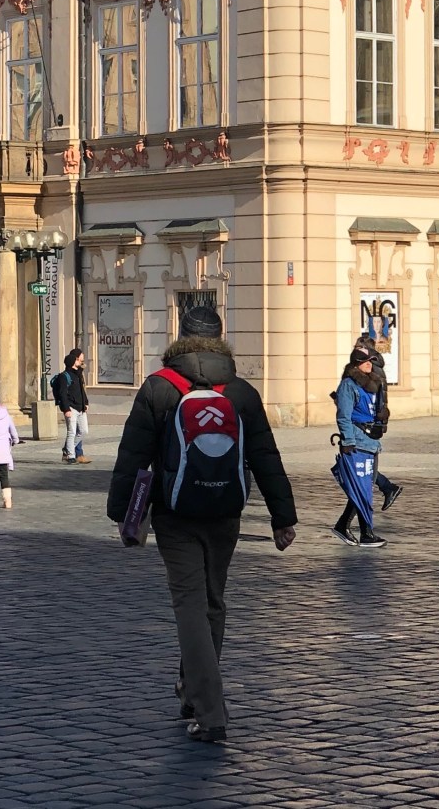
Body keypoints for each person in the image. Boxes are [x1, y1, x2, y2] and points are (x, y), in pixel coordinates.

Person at [107, 301, 297, 744]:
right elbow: (265, 457)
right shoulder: (241, 392)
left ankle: (211, 713)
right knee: (212, 602)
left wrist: (123, 513)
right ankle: (194, 692)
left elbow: (132, 456)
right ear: (220, 338)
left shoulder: (159, 387)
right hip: (226, 510)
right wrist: (282, 517)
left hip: (175, 513)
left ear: (179, 337)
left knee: (189, 606)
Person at [332, 345, 387, 549]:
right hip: (356, 442)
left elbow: (376, 407)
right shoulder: (348, 385)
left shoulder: (372, 384)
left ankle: (344, 526)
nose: (369, 364)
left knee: (365, 487)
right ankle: (365, 533)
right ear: (356, 363)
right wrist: (348, 441)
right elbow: (343, 416)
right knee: (361, 488)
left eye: (371, 361)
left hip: (371, 442)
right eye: (365, 361)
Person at [353, 333, 403, 511]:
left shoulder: (370, 369)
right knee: (362, 467)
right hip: (372, 421)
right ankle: (386, 489)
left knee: (361, 468)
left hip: (368, 423)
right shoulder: (373, 367)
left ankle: (385, 490)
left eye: (358, 348)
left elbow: (372, 399)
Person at [54, 347, 91, 465]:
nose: (79, 361)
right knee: (71, 432)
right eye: (76, 360)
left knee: (83, 431)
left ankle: (67, 449)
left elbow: (81, 391)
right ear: (72, 362)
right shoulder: (64, 376)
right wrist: (66, 409)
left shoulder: (78, 374)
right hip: (71, 408)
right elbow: (63, 394)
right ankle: (70, 455)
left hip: (81, 408)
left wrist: (85, 403)